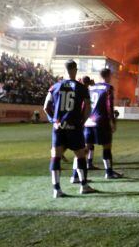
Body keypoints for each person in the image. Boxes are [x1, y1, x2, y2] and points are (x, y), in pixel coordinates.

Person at [43, 59, 95, 198]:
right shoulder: (81, 87)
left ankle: (57, 190)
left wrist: (53, 120)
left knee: (56, 156)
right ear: (75, 70)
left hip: (58, 126)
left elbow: (45, 107)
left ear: (64, 70)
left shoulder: (54, 87)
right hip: (74, 126)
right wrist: (82, 121)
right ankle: (84, 186)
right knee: (80, 155)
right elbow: (88, 108)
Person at [72, 68, 122, 183]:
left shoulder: (90, 88)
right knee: (107, 147)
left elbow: (84, 105)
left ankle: (75, 175)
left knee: (84, 150)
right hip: (101, 122)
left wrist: (82, 121)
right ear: (109, 76)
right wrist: (112, 122)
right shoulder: (108, 88)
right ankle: (109, 172)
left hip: (88, 122)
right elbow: (109, 106)